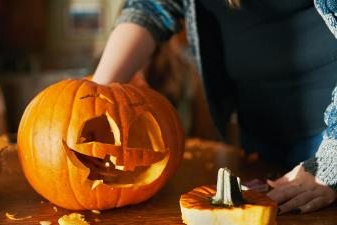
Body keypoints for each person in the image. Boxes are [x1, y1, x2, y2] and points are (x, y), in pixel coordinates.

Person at [92, 0, 337, 214]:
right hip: (258, 127)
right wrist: (94, 97)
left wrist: (331, 163)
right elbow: (151, 6)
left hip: (328, 132)